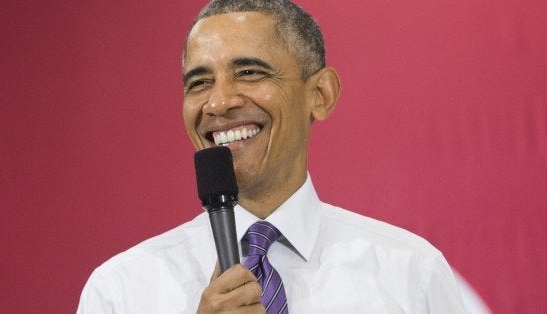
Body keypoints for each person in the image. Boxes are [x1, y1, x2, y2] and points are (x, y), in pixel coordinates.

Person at [78, 0, 467, 313]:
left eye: (249, 72)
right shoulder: (121, 290)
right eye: (200, 82)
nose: (219, 102)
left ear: (320, 95)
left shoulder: (411, 272)